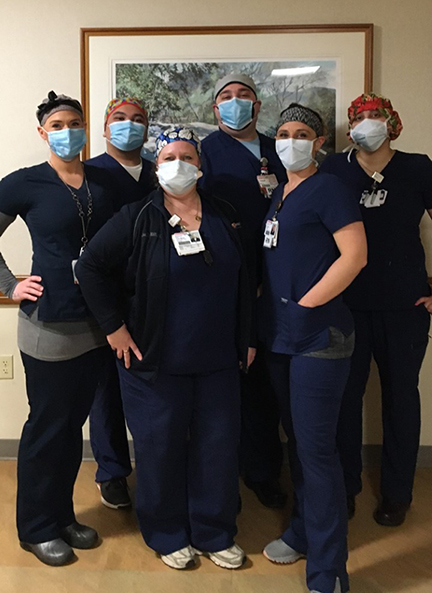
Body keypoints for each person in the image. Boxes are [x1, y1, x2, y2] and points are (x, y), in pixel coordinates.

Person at [75, 126, 254, 570]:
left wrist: (248, 337)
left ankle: (214, 532)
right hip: (153, 361)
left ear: (200, 166)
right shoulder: (137, 217)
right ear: (157, 168)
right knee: (160, 450)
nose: (179, 165)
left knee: (217, 448)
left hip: (218, 359)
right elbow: (90, 267)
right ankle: (167, 532)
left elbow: (246, 280)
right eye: (170, 157)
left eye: (187, 157)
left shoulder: (225, 215)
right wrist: (114, 328)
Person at [0, 91, 117, 566]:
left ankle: (62, 515)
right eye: (58, 125)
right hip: (48, 325)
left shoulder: (103, 182)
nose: (68, 131)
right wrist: (9, 284)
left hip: (96, 323)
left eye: (75, 123)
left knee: (72, 428)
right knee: (48, 428)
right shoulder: (25, 183)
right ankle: (35, 527)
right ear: (43, 132)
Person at [260, 104, 367, 593]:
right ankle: (303, 532)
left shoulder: (330, 189)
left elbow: (355, 256)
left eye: (302, 133)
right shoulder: (280, 194)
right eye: (283, 133)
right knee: (299, 445)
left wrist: (306, 305)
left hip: (319, 337)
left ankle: (329, 571)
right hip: (281, 338)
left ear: (319, 142)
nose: (291, 141)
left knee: (318, 451)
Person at [321, 93, 432, 526]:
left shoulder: (418, 168)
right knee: (344, 400)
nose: (367, 123)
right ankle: (346, 487)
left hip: (405, 305)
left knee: (401, 398)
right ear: (350, 128)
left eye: (375, 116)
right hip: (347, 305)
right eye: (359, 117)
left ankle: (397, 493)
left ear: (392, 122)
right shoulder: (335, 169)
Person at [200, 73, 287, 508]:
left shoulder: (279, 149)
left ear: (257, 104)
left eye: (244, 95)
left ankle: (263, 472)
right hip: (227, 282)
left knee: (267, 386)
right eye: (226, 97)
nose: (235, 102)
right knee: (229, 384)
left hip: (280, 283)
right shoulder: (205, 153)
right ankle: (221, 474)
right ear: (216, 109)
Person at [85, 97, 156, 509]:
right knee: (106, 390)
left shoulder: (158, 174)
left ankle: (158, 470)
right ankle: (111, 471)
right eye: (120, 118)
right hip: (105, 299)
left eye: (138, 120)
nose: (129, 125)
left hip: (152, 298)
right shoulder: (89, 174)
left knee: (153, 391)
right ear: (105, 127)